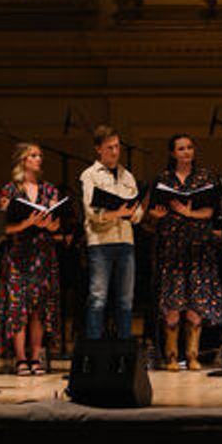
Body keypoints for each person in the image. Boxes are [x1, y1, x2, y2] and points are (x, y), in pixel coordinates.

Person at [146, 134, 222, 371]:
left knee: (197, 300)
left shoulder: (205, 177)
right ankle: (171, 355)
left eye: (189, 148)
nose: (186, 152)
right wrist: (157, 215)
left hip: (199, 247)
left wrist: (188, 213)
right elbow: (151, 213)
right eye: (181, 149)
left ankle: (192, 354)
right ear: (173, 153)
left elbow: (210, 211)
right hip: (172, 247)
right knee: (173, 301)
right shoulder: (163, 179)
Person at [0, 143, 62, 375]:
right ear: (23, 160)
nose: (38, 159)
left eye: (39, 156)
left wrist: (50, 224)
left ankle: (36, 357)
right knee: (18, 307)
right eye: (33, 155)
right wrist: (27, 223)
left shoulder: (49, 190)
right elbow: (4, 227)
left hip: (42, 253)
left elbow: (56, 225)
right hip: (18, 254)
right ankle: (20, 358)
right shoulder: (9, 191)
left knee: (38, 308)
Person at [79, 125, 144, 340]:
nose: (115, 152)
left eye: (117, 147)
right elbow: (91, 211)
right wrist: (117, 212)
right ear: (98, 149)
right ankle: (94, 350)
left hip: (125, 241)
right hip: (100, 242)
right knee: (98, 298)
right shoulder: (90, 175)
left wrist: (134, 213)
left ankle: (124, 351)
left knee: (125, 300)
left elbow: (138, 209)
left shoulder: (127, 175)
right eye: (109, 147)